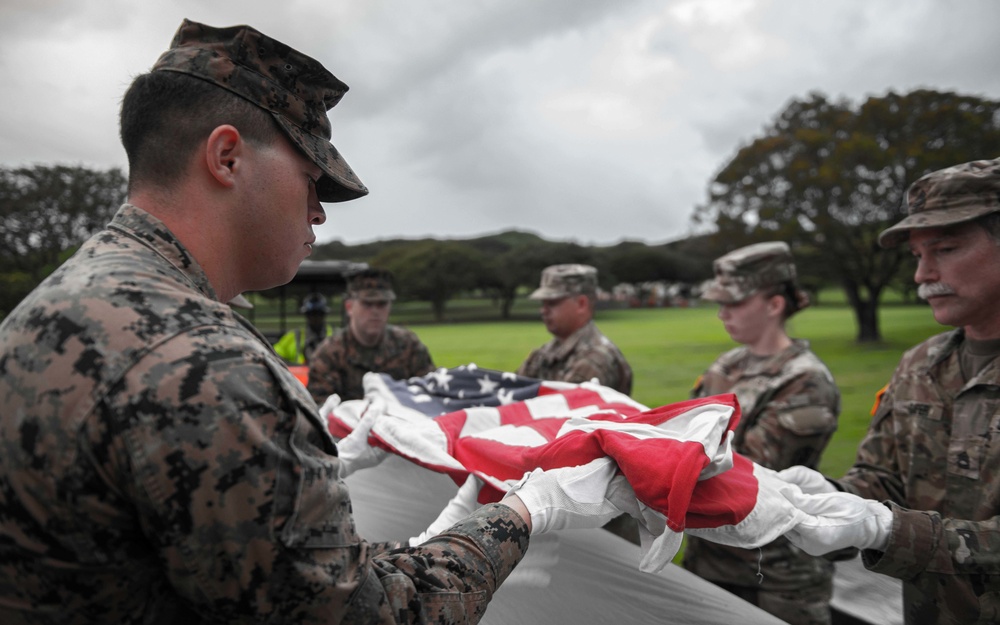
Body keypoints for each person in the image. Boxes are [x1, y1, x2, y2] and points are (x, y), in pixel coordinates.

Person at [0, 19, 632, 623]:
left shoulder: (74, 298)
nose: (319, 214)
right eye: (310, 179)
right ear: (227, 158)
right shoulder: (204, 362)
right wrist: (521, 513)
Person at [777, 157, 1000, 624]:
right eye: (918, 256)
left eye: (946, 248)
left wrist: (886, 529)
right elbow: (885, 478)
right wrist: (837, 496)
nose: (922, 275)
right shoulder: (921, 364)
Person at [681, 242, 841, 625]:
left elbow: (744, 472)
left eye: (734, 303)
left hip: (774, 578)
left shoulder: (806, 380)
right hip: (709, 561)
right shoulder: (727, 365)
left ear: (774, 305)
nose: (722, 313)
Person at [307, 268, 434, 404]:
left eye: (382, 304)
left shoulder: (409, 346)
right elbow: (320, 409)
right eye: (367, 304)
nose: (375, 311)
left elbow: (431, 394)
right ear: (349, 307)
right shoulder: (329, 354)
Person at [517, 263, 633, 395]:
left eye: (552, 303)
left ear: (581, 304)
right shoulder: (547, 351)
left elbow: (563, 408)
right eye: (543, 303)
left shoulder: (594, 359)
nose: (543, 310)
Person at [273, 292, 336, 364]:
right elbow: (274, 354)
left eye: (319, 314)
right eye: (311, 314)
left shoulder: (334, 335)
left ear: (324, 315)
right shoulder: (293, 336)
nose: (315, 318)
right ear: (306, 315)